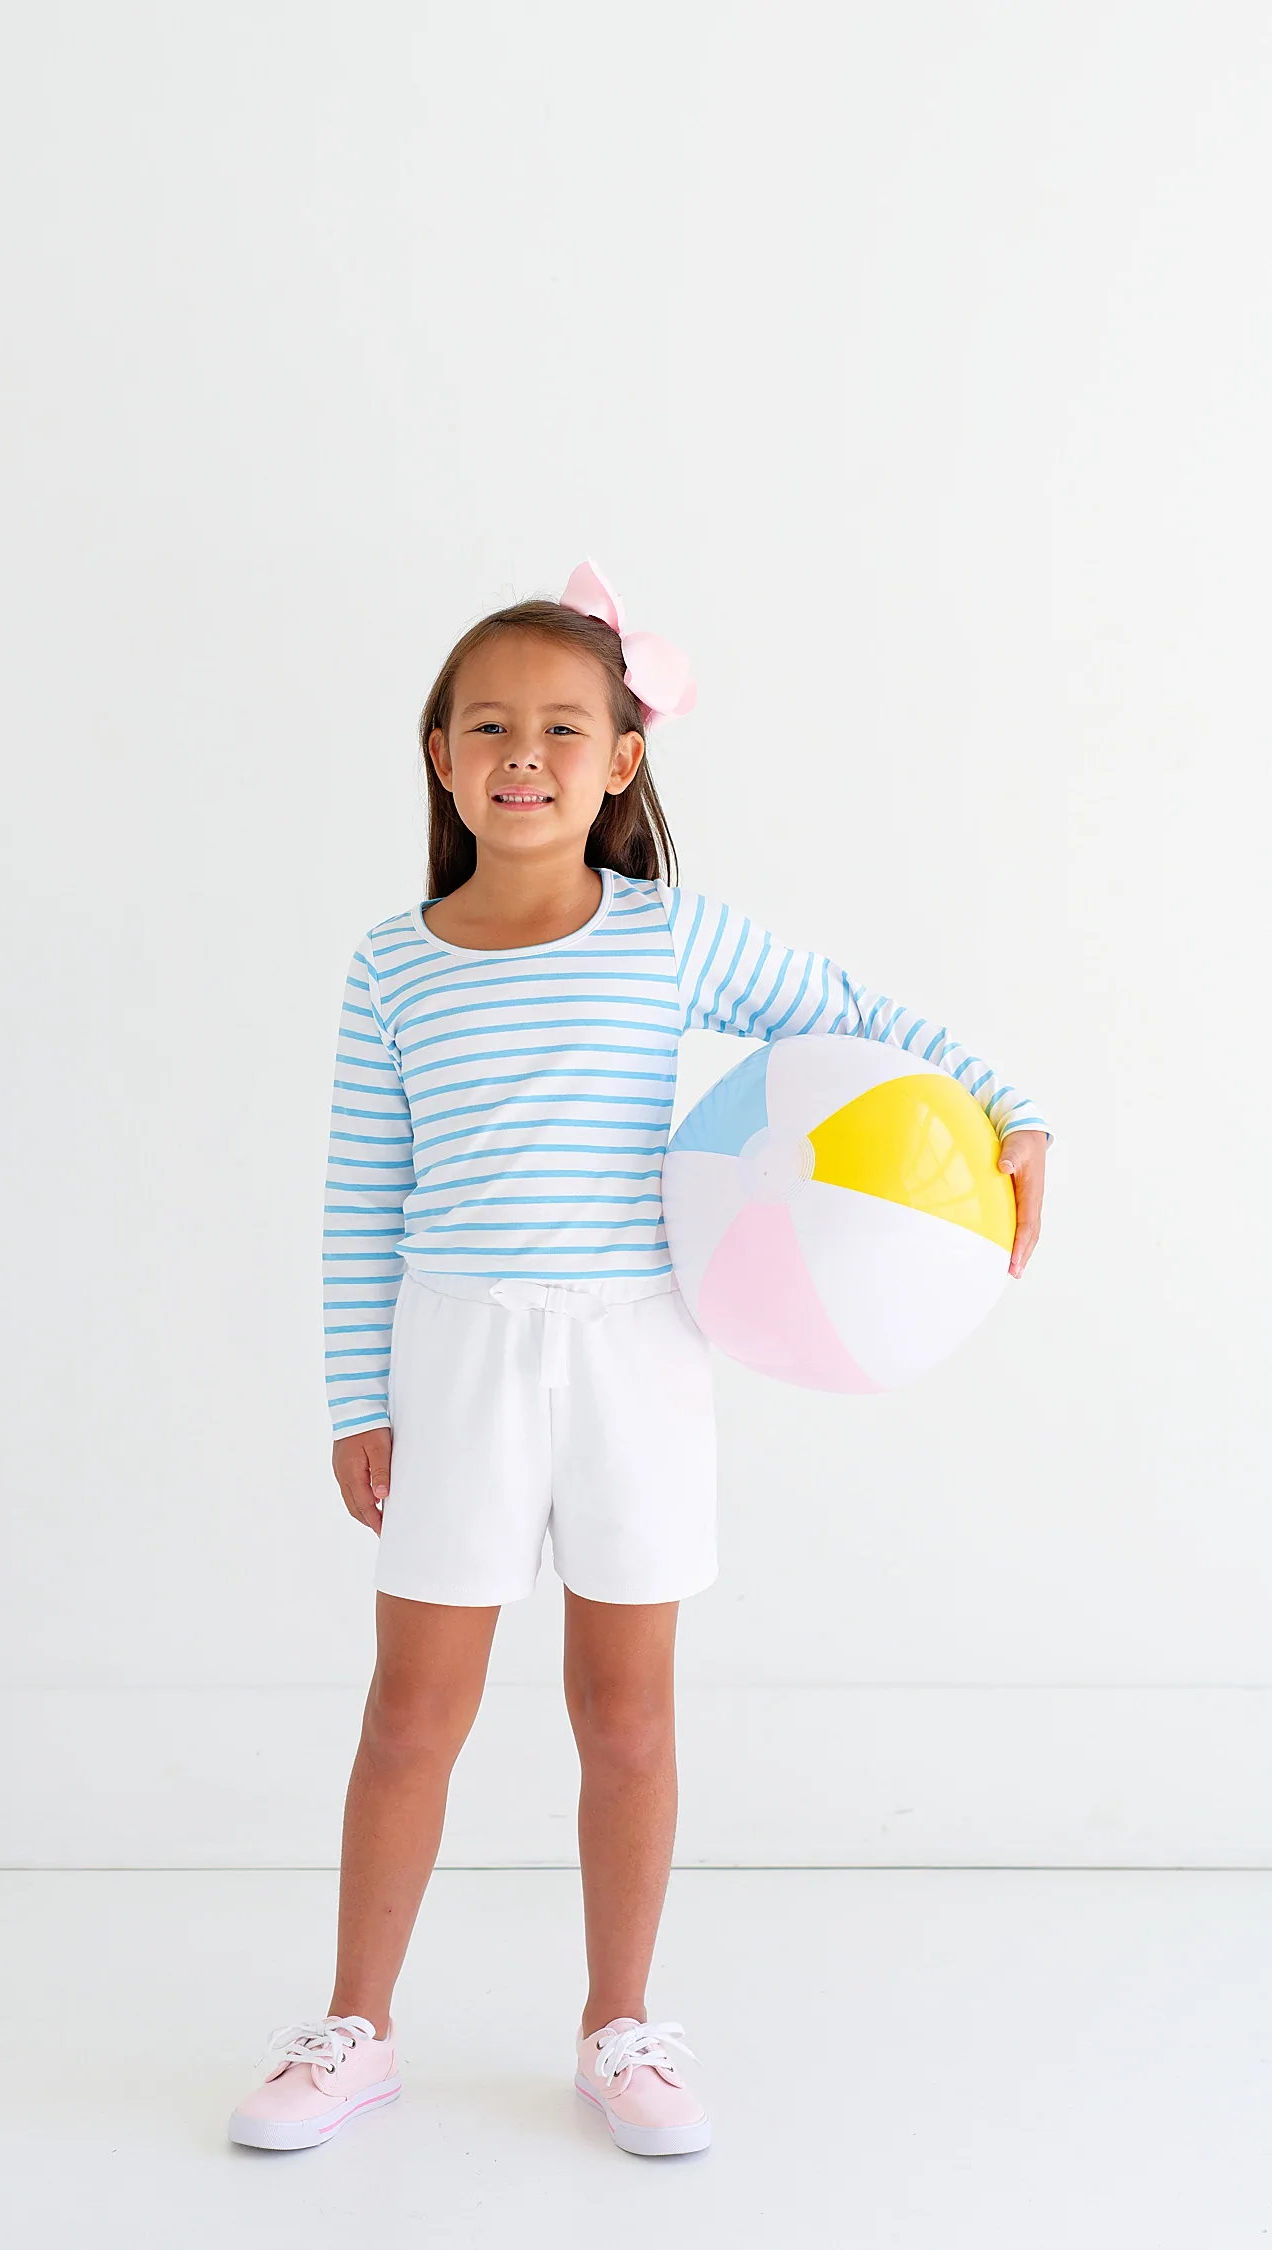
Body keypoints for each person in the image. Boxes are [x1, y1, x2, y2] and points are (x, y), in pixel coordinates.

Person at [228, 561, 1049, 2158]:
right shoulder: (394, 964)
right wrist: (355, 1399)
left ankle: (622, 2026)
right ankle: (355, 2026)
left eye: (561, 726)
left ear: (621, 759)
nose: (522, 753)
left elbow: (851, 1014)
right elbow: (360, 1195)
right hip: (456, 1356)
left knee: (626, 1716)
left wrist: (1010, 1110)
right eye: (487, 725)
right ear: (441, 757)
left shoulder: (673, 938)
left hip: (637, 1362)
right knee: (412, 1713)